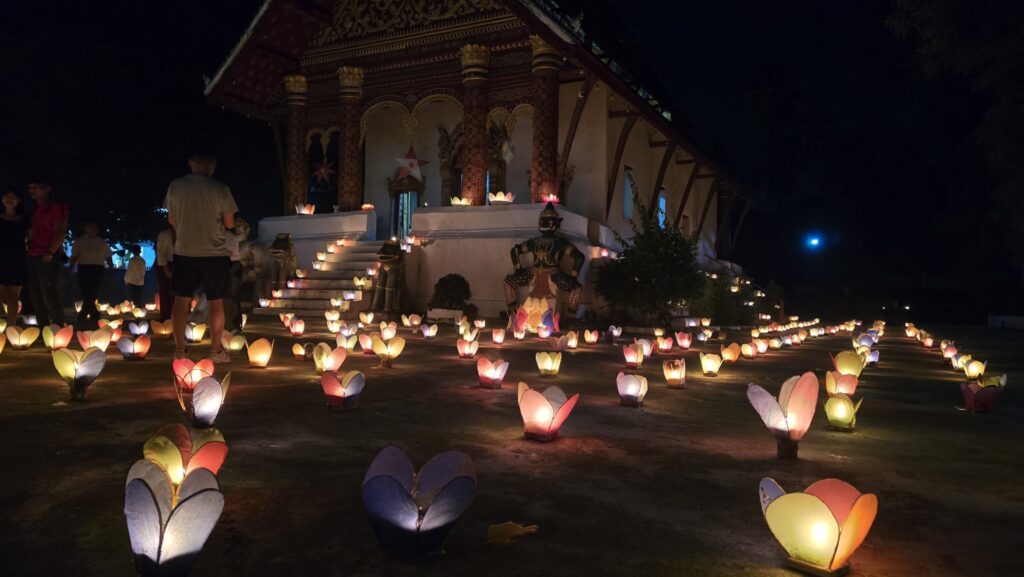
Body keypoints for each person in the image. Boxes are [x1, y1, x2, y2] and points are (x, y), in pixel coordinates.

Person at [163, 152, 238, 362]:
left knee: (181, 301)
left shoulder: (175, 186)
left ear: (190, 163)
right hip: (214, 253)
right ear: (212, 166)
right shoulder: (220, 189)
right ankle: (215, 351)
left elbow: (171, 219)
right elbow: (230, 223)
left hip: (184, 251)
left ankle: (180, 350)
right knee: (216, 302)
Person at [26, 179, 69, 327]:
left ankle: (58, 328)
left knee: (49, 294)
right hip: (33, 254)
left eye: (36, 187)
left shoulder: (56, 208)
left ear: (47, 189)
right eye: (31, 187)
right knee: (36, 294)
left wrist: (50, 253)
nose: (32, 190)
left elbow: (60, 231)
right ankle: (44, 328)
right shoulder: (34, 211)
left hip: (48, 255)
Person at [69, 222, 113, 324]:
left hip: (97, 268)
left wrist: (111, 268)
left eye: (94, 228)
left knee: (93, 290)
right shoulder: (79, 242)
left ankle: (86, 313)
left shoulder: (102, 242)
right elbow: (74, 256)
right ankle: (92, 313)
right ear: (86, 229)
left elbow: (108, 256)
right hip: (84, 267)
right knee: (85, 290)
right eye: (90, 228)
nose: (93, 230)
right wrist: (71, 268)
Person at [0, 189, 30, 326]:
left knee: (13, 297)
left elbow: (31, 238)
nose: (9, 198)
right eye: (6, 195)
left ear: (19, 201)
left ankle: (11, 327)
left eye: (13, 196)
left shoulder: (24, 220)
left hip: (17, 259)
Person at [223, 217, 247, 332]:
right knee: (229, 298)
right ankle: (231, 323)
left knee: (231, 297)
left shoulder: (228, 236)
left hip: (232, 265)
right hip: (230, 265)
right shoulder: (226, 235)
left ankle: (233, 324)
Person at [155, 226, 175, 321]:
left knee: (179, 293)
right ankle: (166, 317)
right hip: (165, 264)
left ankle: (178, 316)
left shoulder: (185, 233)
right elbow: (160, 252)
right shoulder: (165, 235)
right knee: (166, 291)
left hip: (178, 264)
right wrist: (165, 268)